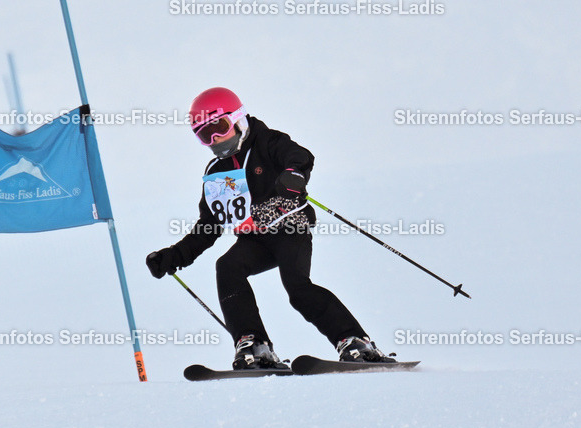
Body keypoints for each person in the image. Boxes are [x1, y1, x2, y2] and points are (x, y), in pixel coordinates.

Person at [146, 87, 396, 369]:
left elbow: (299, 156)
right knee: (228, 266)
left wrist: (294, 175)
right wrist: (173, 256)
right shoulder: (217, 173)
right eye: (205, 134)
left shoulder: (267, 142)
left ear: (238, 119)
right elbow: (209, 225)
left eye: (219, 127)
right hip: (255, 239)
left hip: (289, 227)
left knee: (298, 288)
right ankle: (254, 346)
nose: (215, 138)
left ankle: (355, 342)